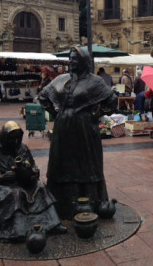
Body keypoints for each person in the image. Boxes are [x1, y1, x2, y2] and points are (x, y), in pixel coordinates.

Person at [38, 45, 118, 219]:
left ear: (83, 61)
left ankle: (88, 201)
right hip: (63, 128)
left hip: (84, 129)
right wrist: (56, 114)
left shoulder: (95, 81)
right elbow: (43, 97)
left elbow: (112, 101)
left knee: (85, 164)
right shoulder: (61, 78)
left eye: (75, 58)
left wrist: (96, 115)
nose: (71, 61)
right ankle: (61, 204)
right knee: (62, 163)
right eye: (70, 58)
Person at [0, 121, 67, 242]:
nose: (15, 142)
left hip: (20, 182)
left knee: (40, 187)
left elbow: (33, 165)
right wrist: (4, 177)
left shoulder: (22, 148)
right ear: (4, 137)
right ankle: (18, 231)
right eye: (11, 139)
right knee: (16, 194)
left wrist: (33, 173)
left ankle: (52, 224)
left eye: (17, 138)